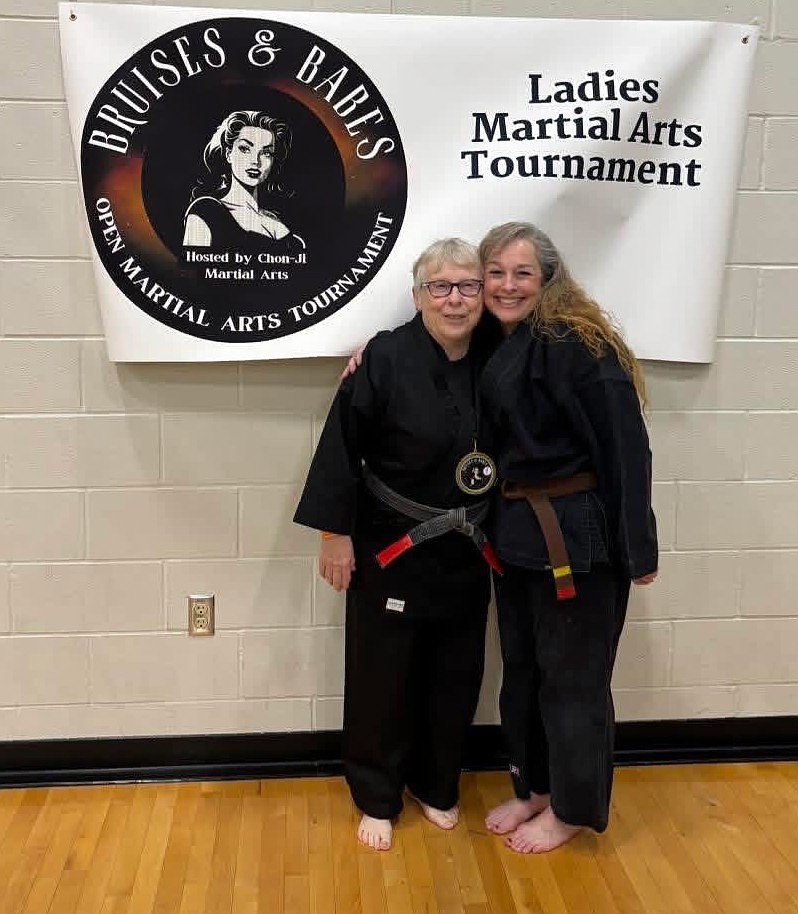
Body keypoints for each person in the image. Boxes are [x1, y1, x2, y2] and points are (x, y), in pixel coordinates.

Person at [294, 239, 501, 852]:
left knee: (457, 671)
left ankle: (436, 784)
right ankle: (377, 795)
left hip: (471, 545)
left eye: (467, 286)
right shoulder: (384, 358)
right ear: (418, 296)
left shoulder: (504, 357)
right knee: (383, 675)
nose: (455, 298)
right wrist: (336, 535)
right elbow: (342, 446)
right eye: (440, 287)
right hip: (392, 544)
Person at [477, 221, 658, 854]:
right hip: (517, 539)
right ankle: (536, 787)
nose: (506, 285)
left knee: (574, 682)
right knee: (522, 674)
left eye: (521, 272)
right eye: (494, 272)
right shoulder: (499, 341)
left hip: (575, 546)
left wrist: (638, 549)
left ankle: (575, 807)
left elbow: (625, 448)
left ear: (548, 278)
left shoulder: (582, 344)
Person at [182, 109, 304, 251]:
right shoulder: (206, 211)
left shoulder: (277, 220)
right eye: (245, 149)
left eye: (266, 153)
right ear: (228, 154)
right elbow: (192, 270)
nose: (255, 161)